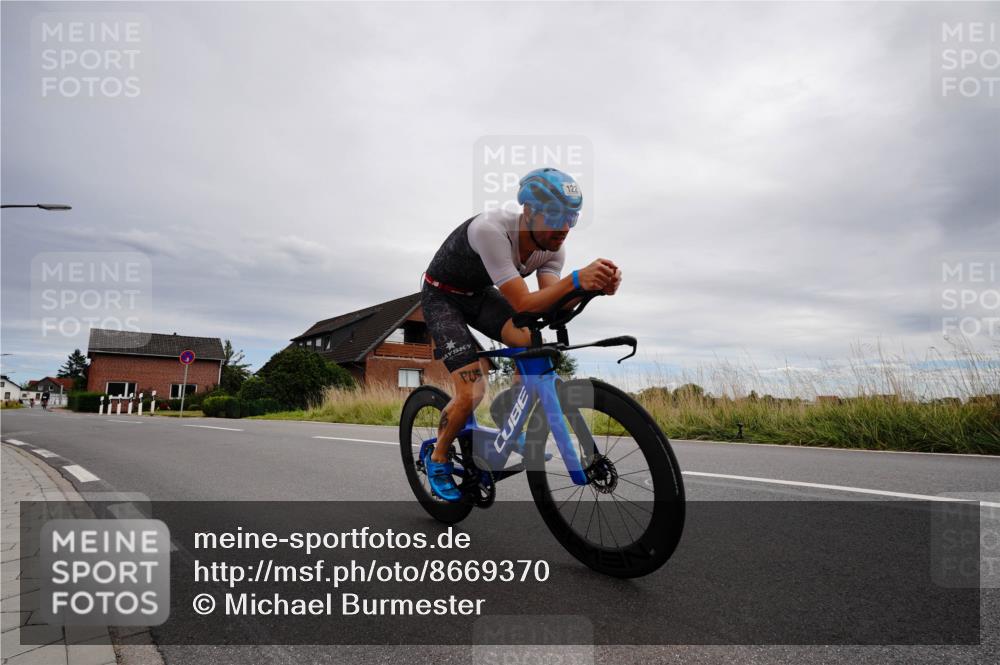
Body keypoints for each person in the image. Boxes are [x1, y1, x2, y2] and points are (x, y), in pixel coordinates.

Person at [420, 167, 622, 502]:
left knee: (533, 342)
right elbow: (524, 301)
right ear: (528, 211)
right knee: (472, 389)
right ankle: (438, 458)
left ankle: (509, 416)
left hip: (480, 295)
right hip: (442, 297)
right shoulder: (491, 230)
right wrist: (575, 280)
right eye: (554, 216)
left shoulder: (553, 247)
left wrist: (593, 288)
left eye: (571, 217)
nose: (563, 227)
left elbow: (551, 307)